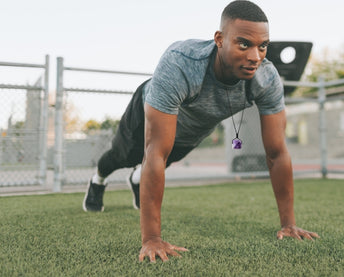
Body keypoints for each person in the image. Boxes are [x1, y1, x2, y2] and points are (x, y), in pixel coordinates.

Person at [83, 0, 319, 262]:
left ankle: (137, 179)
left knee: (166, 159)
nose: (255, 56)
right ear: (219, 39)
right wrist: (151, 239)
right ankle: (98, 180)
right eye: (244, 44)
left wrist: (288, 224)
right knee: (122, 156)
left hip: (190, 132)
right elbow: (154, 151)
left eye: (262, 46)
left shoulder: (266, 78)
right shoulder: (181, 63)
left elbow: (277, 152)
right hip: (148, 115)